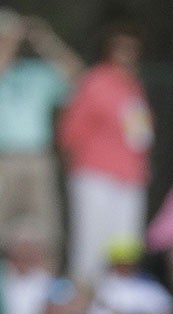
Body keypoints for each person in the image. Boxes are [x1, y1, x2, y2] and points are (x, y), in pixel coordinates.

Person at [0, 9, 78, 258]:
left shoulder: (38, 73)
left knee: (44, 231)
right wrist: (9, 41)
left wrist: (47, 42)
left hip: (35, 161)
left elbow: (78, 79)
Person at [56, 25, 149, 282]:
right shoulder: (95, 81)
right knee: (91, 246)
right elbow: (70, 131)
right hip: (96, 173)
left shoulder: (133, 86)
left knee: (125, 247)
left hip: (129, 176)